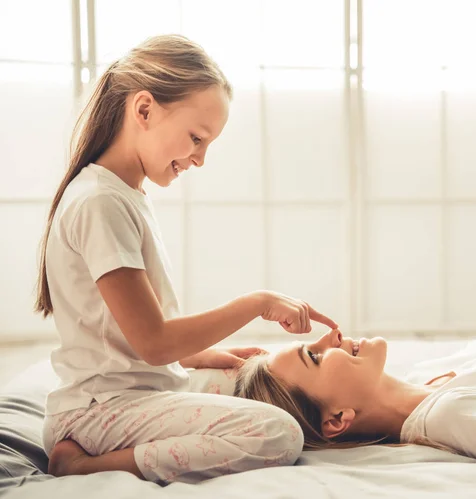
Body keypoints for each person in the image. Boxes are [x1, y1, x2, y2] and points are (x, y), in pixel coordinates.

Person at [34, 34, 338, 485]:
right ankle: (84, 464)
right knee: (278, 433)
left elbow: (125, 333)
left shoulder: (124, 194)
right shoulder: (101, 202)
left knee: (253, 384)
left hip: (128, 396)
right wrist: (256, 303)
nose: (199, 159)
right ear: (143, 110)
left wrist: (201, 356)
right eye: (196, 138)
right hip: (100, 412)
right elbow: (153, 343)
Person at [235, 325, 476, 472]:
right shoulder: (449, 416)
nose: (330, 336)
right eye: (313, 356)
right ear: (336, 419)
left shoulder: (424, 375)